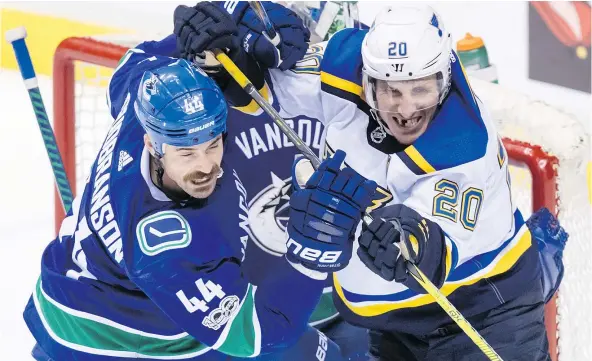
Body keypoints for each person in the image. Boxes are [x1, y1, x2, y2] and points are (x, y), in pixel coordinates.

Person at [175, 2, 568, 360]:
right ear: (368, 82)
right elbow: (266, 90)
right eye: (391, 93)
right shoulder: (347, 65)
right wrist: (226, 57)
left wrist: (404, 241)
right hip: (391, 324)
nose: (407, 109)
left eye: (421, 90)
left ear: (444, 78)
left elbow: (431, 249)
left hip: (484, 314)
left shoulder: (463, 147)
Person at [22, 42, 376, 360]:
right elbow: (259, 336)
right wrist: (312, 255)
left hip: (90, 282)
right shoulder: (164, 243)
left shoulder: (143, 101)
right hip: (111, 338)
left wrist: (223, 20)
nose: (206, 166)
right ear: (153, 146)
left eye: (212, 145)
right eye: (187, 153)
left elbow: (139, 58)